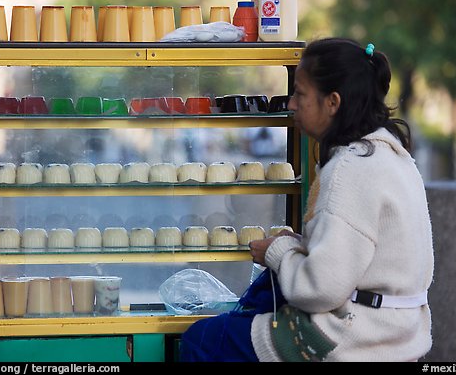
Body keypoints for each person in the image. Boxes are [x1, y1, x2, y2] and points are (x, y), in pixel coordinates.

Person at [179, 37, 434, 362]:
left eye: (300, 94)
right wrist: (298, 243)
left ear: (333, 102)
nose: (292, 104)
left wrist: (278, 251)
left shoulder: (349, 168)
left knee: (203, 340)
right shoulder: (391, 154)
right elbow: (358, 255)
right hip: (401, 329)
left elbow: (319, 290)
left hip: (352, 336)